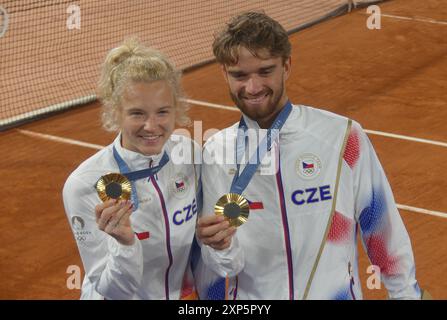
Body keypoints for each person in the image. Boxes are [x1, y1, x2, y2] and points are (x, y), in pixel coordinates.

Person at [195, 12, 426, 300]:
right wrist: (219, 248)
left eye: (265, 71)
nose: (252, 87)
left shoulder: (343, 137)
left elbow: (381, 227)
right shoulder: (216, 152)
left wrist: (406, 295)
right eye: (239, 75)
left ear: (287, 66)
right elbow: (222, 266)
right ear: (224, 74)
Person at [63, 38, 200, 300]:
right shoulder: (85, 184)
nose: (151, 126)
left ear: (176, 109)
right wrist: (125, 245)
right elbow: (113, 291)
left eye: (162, 112)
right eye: (137, 113)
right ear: (116, 112)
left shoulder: (189, 154)